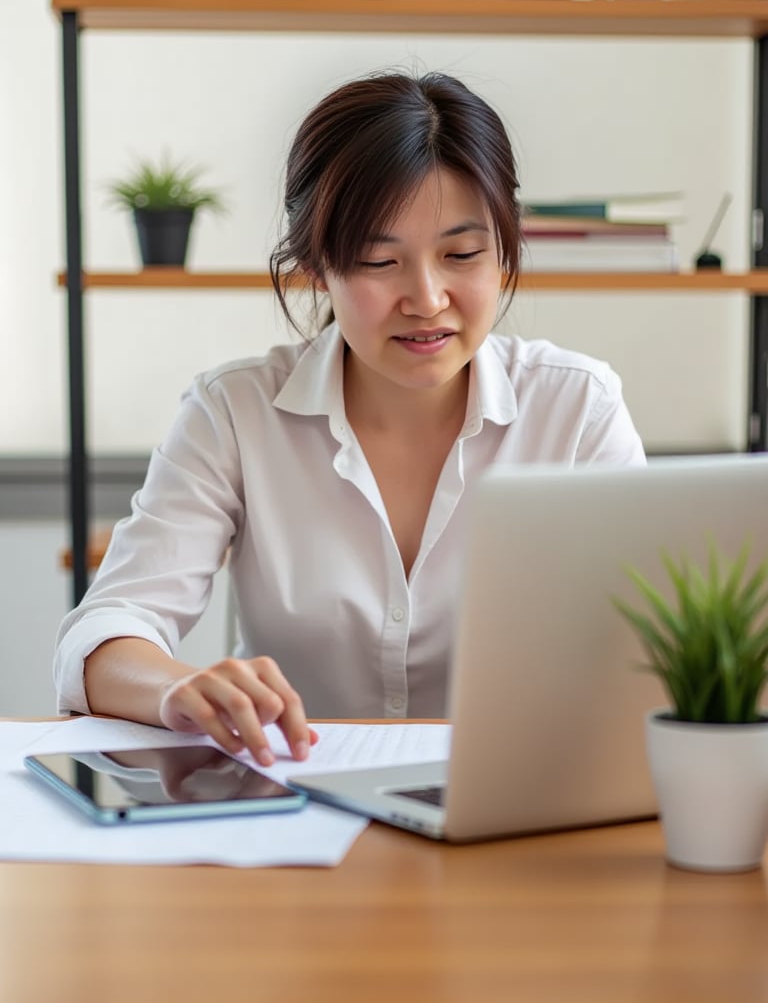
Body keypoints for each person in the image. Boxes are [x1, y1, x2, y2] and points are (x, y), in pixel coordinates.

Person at [55, 70, 645, 769]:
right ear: (316, 263)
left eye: (462, 254)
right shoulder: (234, 413)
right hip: (293, 801)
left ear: (506, 245)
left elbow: (651, 641)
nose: (427, 299)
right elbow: (107, 631)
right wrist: (179, 686)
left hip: (512, 800)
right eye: (377, 260)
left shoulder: (575, 408)